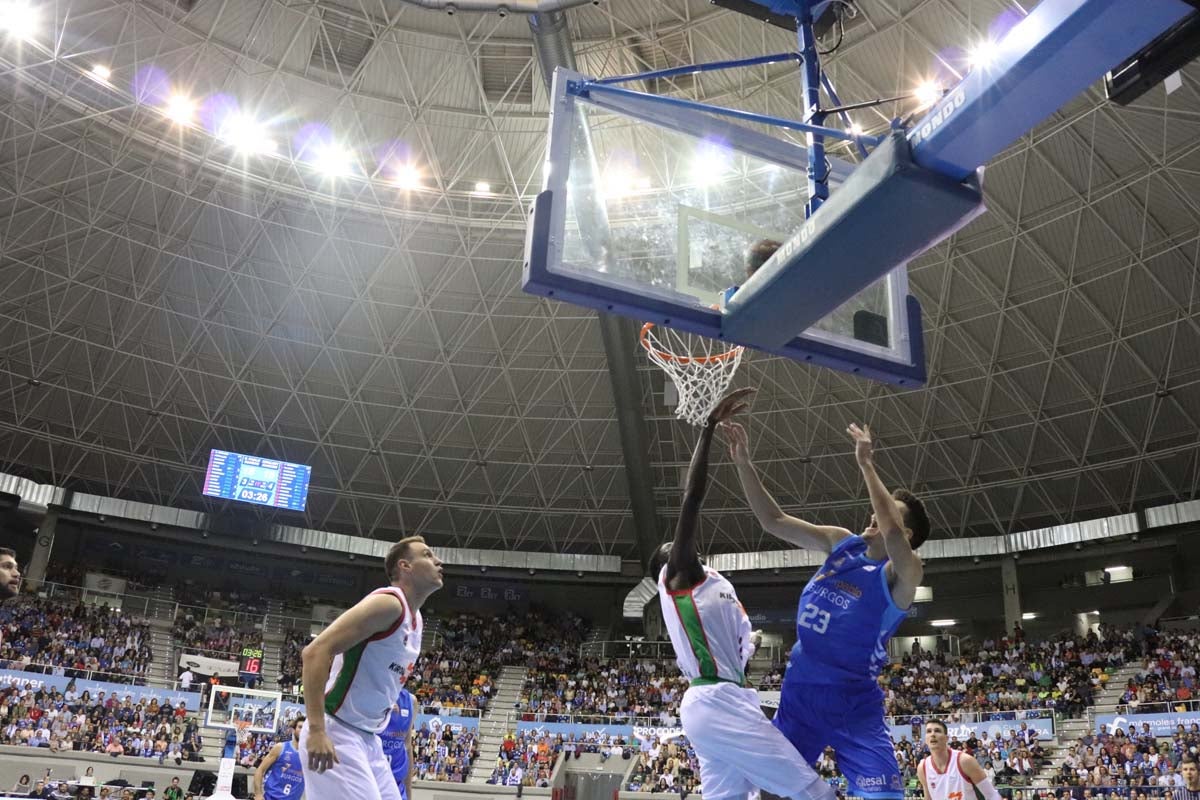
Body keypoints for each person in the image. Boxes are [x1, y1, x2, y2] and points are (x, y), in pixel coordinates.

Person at [725, 419, 930, 800]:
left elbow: (890, 533)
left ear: (909, 535)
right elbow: (774, 521)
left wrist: (867, 464)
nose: (874, 514)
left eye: (887, 511)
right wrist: (743, 463)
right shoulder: (842, 543)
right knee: (770, 794)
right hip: (800, 696)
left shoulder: (904, 573)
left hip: (853, 706)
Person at [653, 388, 835, 800]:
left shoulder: (713, 585)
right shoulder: (677, 576)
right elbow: (692, 499)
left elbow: (735, 644)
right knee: (814, 792)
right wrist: (708, 429)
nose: (676, 546)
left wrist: (749, 644)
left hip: (720, 701)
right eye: (669, 550)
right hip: (716, 701)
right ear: (666, 570)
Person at [300, 536, 443, 800]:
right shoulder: (389, 604)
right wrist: (317, 729)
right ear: (405, 566)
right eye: (427, 555)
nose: (438, 561)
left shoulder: (417, 620)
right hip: (336, 731)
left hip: (369, 740)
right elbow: (315, 652)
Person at [918, 720, 1001, 800]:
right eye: (929, 731)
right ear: (926, 739)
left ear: (946, 738)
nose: (932, 734)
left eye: (937, 731)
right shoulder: (923, 767)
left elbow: (992, 795)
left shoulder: (965, 761)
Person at [255, 715, 305, 800]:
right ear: (293, 730)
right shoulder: (281, 748)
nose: (303, 730)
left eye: (305, 728)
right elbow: (260, 770)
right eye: (300, 727)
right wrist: (258, 794)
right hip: (271, 797)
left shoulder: (310, 755)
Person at [379, 690, 415, 800]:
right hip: (371, 779)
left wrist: (409, 795)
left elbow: (407, 747)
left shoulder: (411, 701)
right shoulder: (367, 695)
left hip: (397, 785)